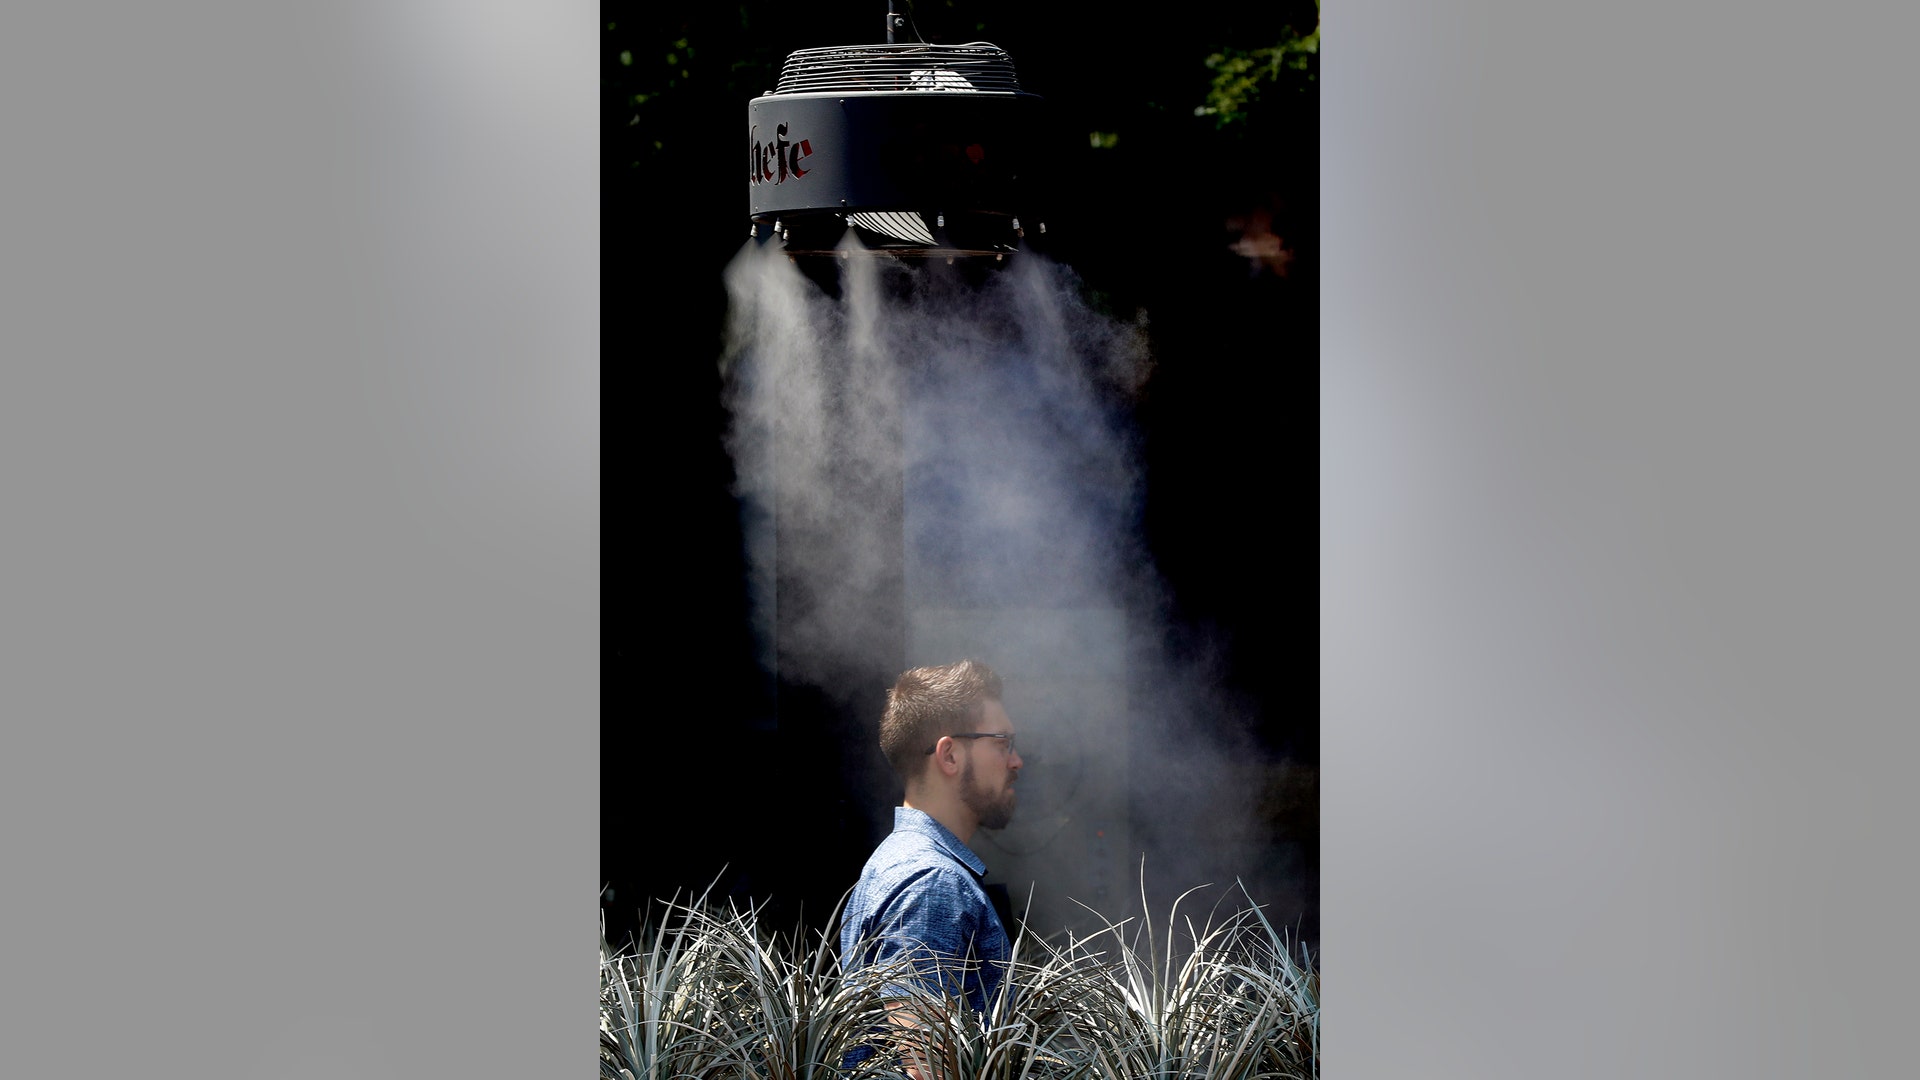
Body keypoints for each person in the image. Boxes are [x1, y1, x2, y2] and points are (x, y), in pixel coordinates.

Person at [839, 658, 1025, 1076]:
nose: (1016, 762)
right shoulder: (932, 881)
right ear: (950, 755)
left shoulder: (901, 862)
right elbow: (927, 1068)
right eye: (1002, 743)